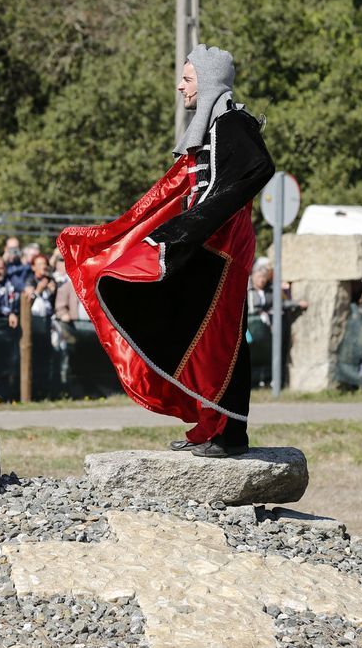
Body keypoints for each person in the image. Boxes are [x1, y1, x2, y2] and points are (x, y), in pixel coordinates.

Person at [59, 44, 273, 458]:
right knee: (197, 334)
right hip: (205, 245)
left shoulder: (233, 123)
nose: (180, 86)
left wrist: (195, 223)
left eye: (187, 79)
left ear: (208, 83)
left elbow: (257, 168)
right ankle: (210, 422)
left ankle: (230, 434)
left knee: (222, 339)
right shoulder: (215, 125)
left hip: (222, 250)